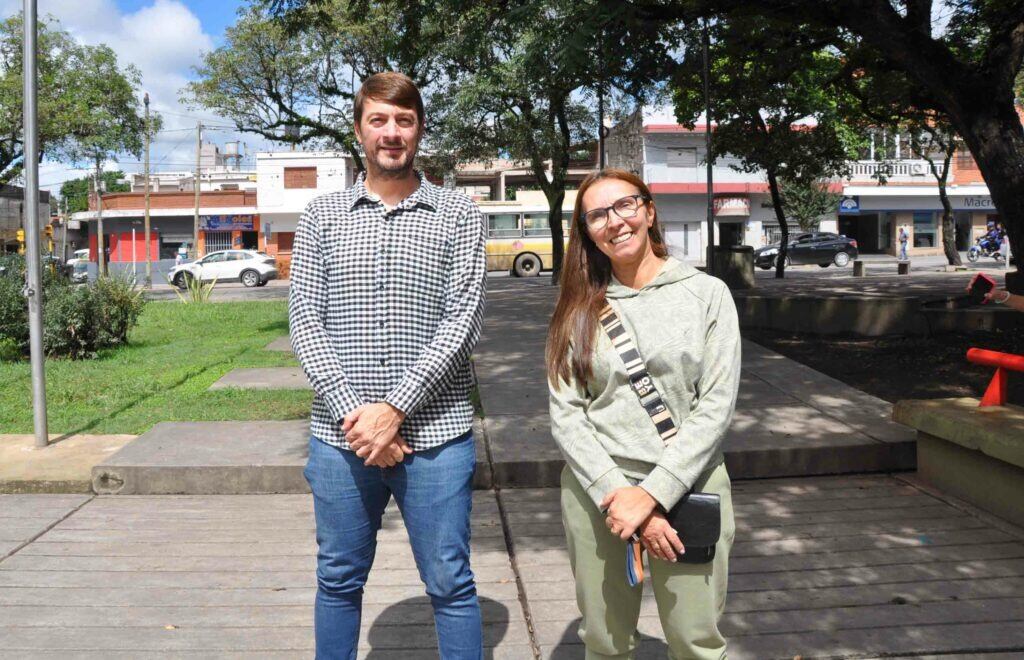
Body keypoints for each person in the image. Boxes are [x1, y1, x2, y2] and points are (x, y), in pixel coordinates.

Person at [289, 71, 487, 660]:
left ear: (419, 130)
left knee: (451, 584)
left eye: (403, 120)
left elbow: (464, 320)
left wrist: (394, 410)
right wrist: (360, 418)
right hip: (339, 438)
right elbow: (305, 321)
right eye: (379, 119)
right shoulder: (321, 215)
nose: (391, 133)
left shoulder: (457, 212)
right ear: (359, 131)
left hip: (437, 437)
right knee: (337, 580)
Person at [546, 168, 740, 659]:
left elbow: (715, 407)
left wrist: (654, 495)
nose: (614, 221)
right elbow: (567, 414)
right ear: (587, 231)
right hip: (599, 494)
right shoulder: (578, 308)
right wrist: (619, 495)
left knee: (696, 641)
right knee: (606, 643)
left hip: (691, 487)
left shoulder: (707, 295)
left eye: (625, 205)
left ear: (649, 211)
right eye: (597, 215)